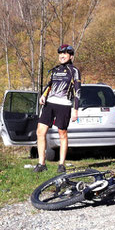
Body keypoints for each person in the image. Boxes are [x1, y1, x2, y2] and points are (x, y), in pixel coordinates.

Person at [34, 44, 81, 173]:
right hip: (50, 104)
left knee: (62, 133)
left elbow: (78, 91)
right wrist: (43, 96)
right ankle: (41, 164)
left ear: (71, 56)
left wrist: (75, 109)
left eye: (65, 53)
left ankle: (61, 164)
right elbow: (49, 85)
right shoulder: (55, 70)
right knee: (40, 132)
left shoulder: (74, 71)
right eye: (60, 53)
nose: (62, 56)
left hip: (64, 105)